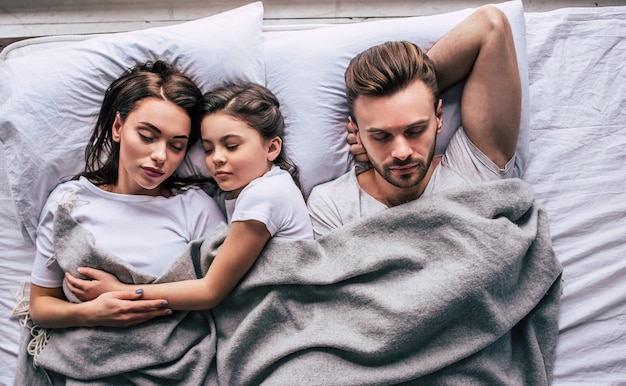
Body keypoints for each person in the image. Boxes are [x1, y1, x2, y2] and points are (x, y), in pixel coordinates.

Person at [65, 82, 314, 310]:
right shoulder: (253, 189)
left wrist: (120, 291)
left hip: (285, 314)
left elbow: (209, 291)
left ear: (272, 147)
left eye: (232, 146)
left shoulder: (265, 195)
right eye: (208, 148)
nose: (216, 158)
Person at [28, 60, 225, 329]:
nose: (160, 156)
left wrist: (124, 292)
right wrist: (91, 313)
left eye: (176, 146)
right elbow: (40, 306)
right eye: (147, 136)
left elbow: (221, 294)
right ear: (118, 128)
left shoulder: (194, 207)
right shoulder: (70, 202)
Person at [307, 5, 522, 238]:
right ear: (357, 134)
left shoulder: (472, 170)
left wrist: (420, 85)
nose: (401, 152)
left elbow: (491, 25)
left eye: (415, 130)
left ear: (439, 117)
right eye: (381, 136)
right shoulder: (333, 205)